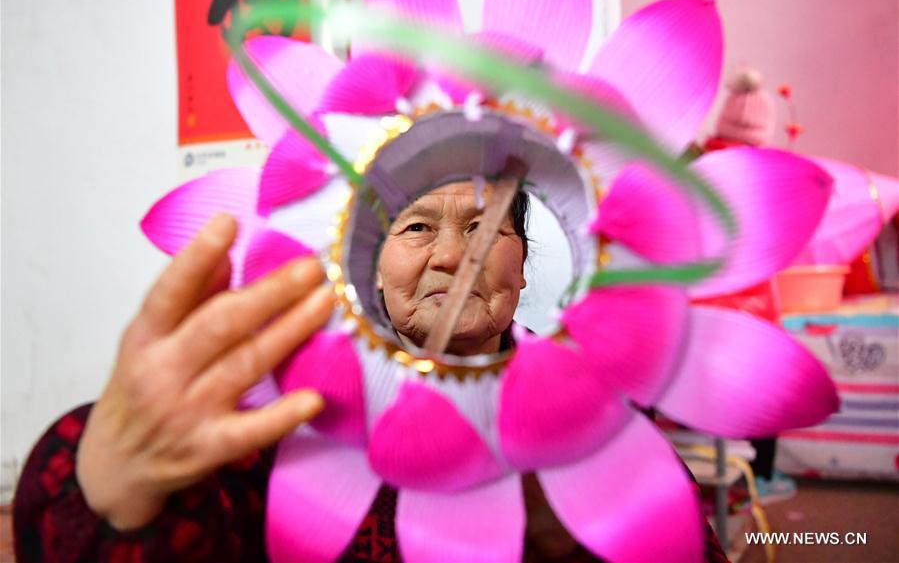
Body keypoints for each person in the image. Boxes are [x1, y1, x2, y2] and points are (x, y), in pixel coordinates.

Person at [13, 180, 729, 562]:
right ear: (373, 271)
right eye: (417, 227)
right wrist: (114, 478)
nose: (455, 256)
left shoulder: (594, 416)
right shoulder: (296, 412)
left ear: (521, 269)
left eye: (486, 228)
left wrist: (572, 529)